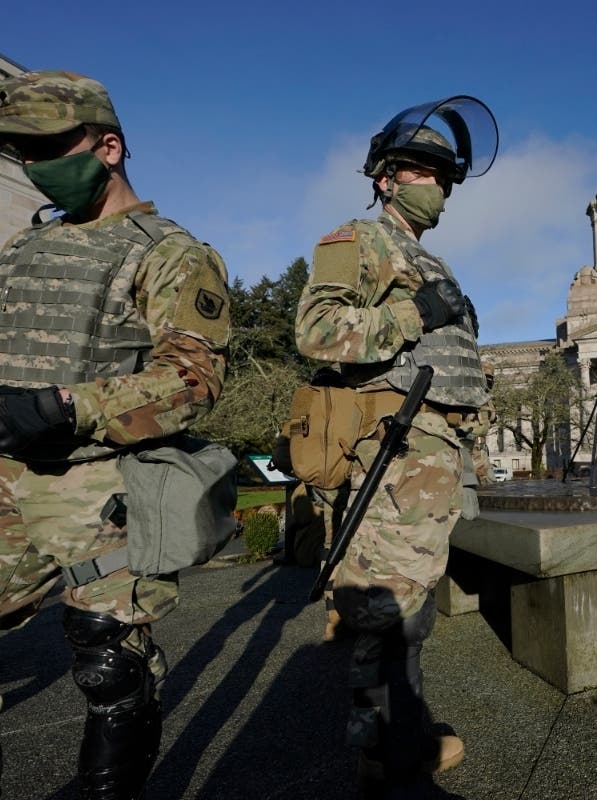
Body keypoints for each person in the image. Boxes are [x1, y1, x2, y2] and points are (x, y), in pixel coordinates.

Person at [0, 71, 230, 798]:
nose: (34, 166)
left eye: (46, 147)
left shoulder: (169, 252)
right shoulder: (20, 251)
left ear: (109, 146)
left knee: (112, 668)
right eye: (20, 151)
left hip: (98, 490)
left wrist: (72, 406)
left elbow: (192, 379)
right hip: (5, 481)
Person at [294, 95, 497, 796]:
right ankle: (389, 750)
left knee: (406, 606)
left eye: (444, 177)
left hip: (431, 456)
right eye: (421, 172)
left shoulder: (429, 259)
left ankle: (395, 735)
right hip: (396, 451)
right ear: (385, 178)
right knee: (389, 611)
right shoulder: (360, 240)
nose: (436, 185)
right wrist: (413, 312)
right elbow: (317, 333)